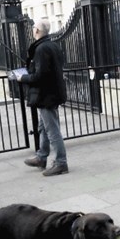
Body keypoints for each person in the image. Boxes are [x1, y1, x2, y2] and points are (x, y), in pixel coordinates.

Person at [15, 19, 68, 176]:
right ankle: (41, 156)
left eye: (33, 28)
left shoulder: (42, 49)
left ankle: (61, 162)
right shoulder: (52, 45)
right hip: (51, 93)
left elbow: (40, 75)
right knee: (43, 127)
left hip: (46, 95)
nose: (32, 30)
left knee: (52, 130)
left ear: (37, 31)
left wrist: (22, 78)